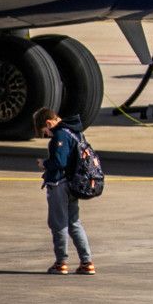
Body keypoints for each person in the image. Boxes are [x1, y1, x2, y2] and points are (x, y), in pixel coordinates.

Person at [36, 108, 92, 275]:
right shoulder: (75, 132)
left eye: (45, 132)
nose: (47, 135)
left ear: (48, 123)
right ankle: (87, 261)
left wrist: (44, 164)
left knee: (58, 223)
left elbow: (59, 161)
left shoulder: (60, 135)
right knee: (74, 223)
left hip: (59, 185)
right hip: (73, 184)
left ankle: (61, 262)